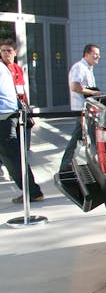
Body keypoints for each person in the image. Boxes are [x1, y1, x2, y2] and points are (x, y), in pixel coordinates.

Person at [0, 57, 44, 203]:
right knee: (12, 156)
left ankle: (33, 191)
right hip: (7, 115)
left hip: (4, 117)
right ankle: (32, 191)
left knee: (12, 157)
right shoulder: (3, 67)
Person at [58, 44, 102, 174]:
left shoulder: (88, 69)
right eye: (95, 53)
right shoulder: (79, 67)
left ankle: (70, 164)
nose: (98, 56)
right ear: (86, 54)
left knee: (85, 137)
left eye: (99, 54)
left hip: (88, 108)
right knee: (79, 137)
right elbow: (75, 86)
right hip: (81, 109)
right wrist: (93, 93)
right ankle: (66, 166)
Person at [0, 40, 32, 149]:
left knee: (23, 138)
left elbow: (22, 88)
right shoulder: (1, 68)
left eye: (9, 50)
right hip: (7, 109)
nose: (6, 53)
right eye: (3, 50)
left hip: (20, 105)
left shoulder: (17, 68)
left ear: (15, 52)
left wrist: (27, 105)